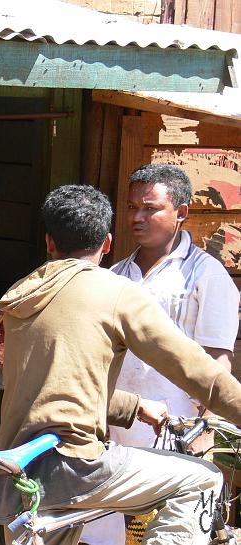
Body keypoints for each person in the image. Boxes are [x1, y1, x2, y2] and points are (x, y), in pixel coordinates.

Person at [0, 185, 241, 545]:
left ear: (49, 243)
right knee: (203, 482)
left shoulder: (23, 297)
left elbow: (57, 389)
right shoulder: (115, 291)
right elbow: (198, 371)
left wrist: (135, 406)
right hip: (75, 463)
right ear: (107, 242)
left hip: (19, 470)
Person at [81, 165, 239, 545]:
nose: (136, 217)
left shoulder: (206, 275)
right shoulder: (115, 274)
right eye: (132, 206)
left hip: (174, 439)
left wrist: (206, 435)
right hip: (114, 438)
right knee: (101, 537)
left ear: (181, 212)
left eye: (149, 208)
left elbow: (216, 362)